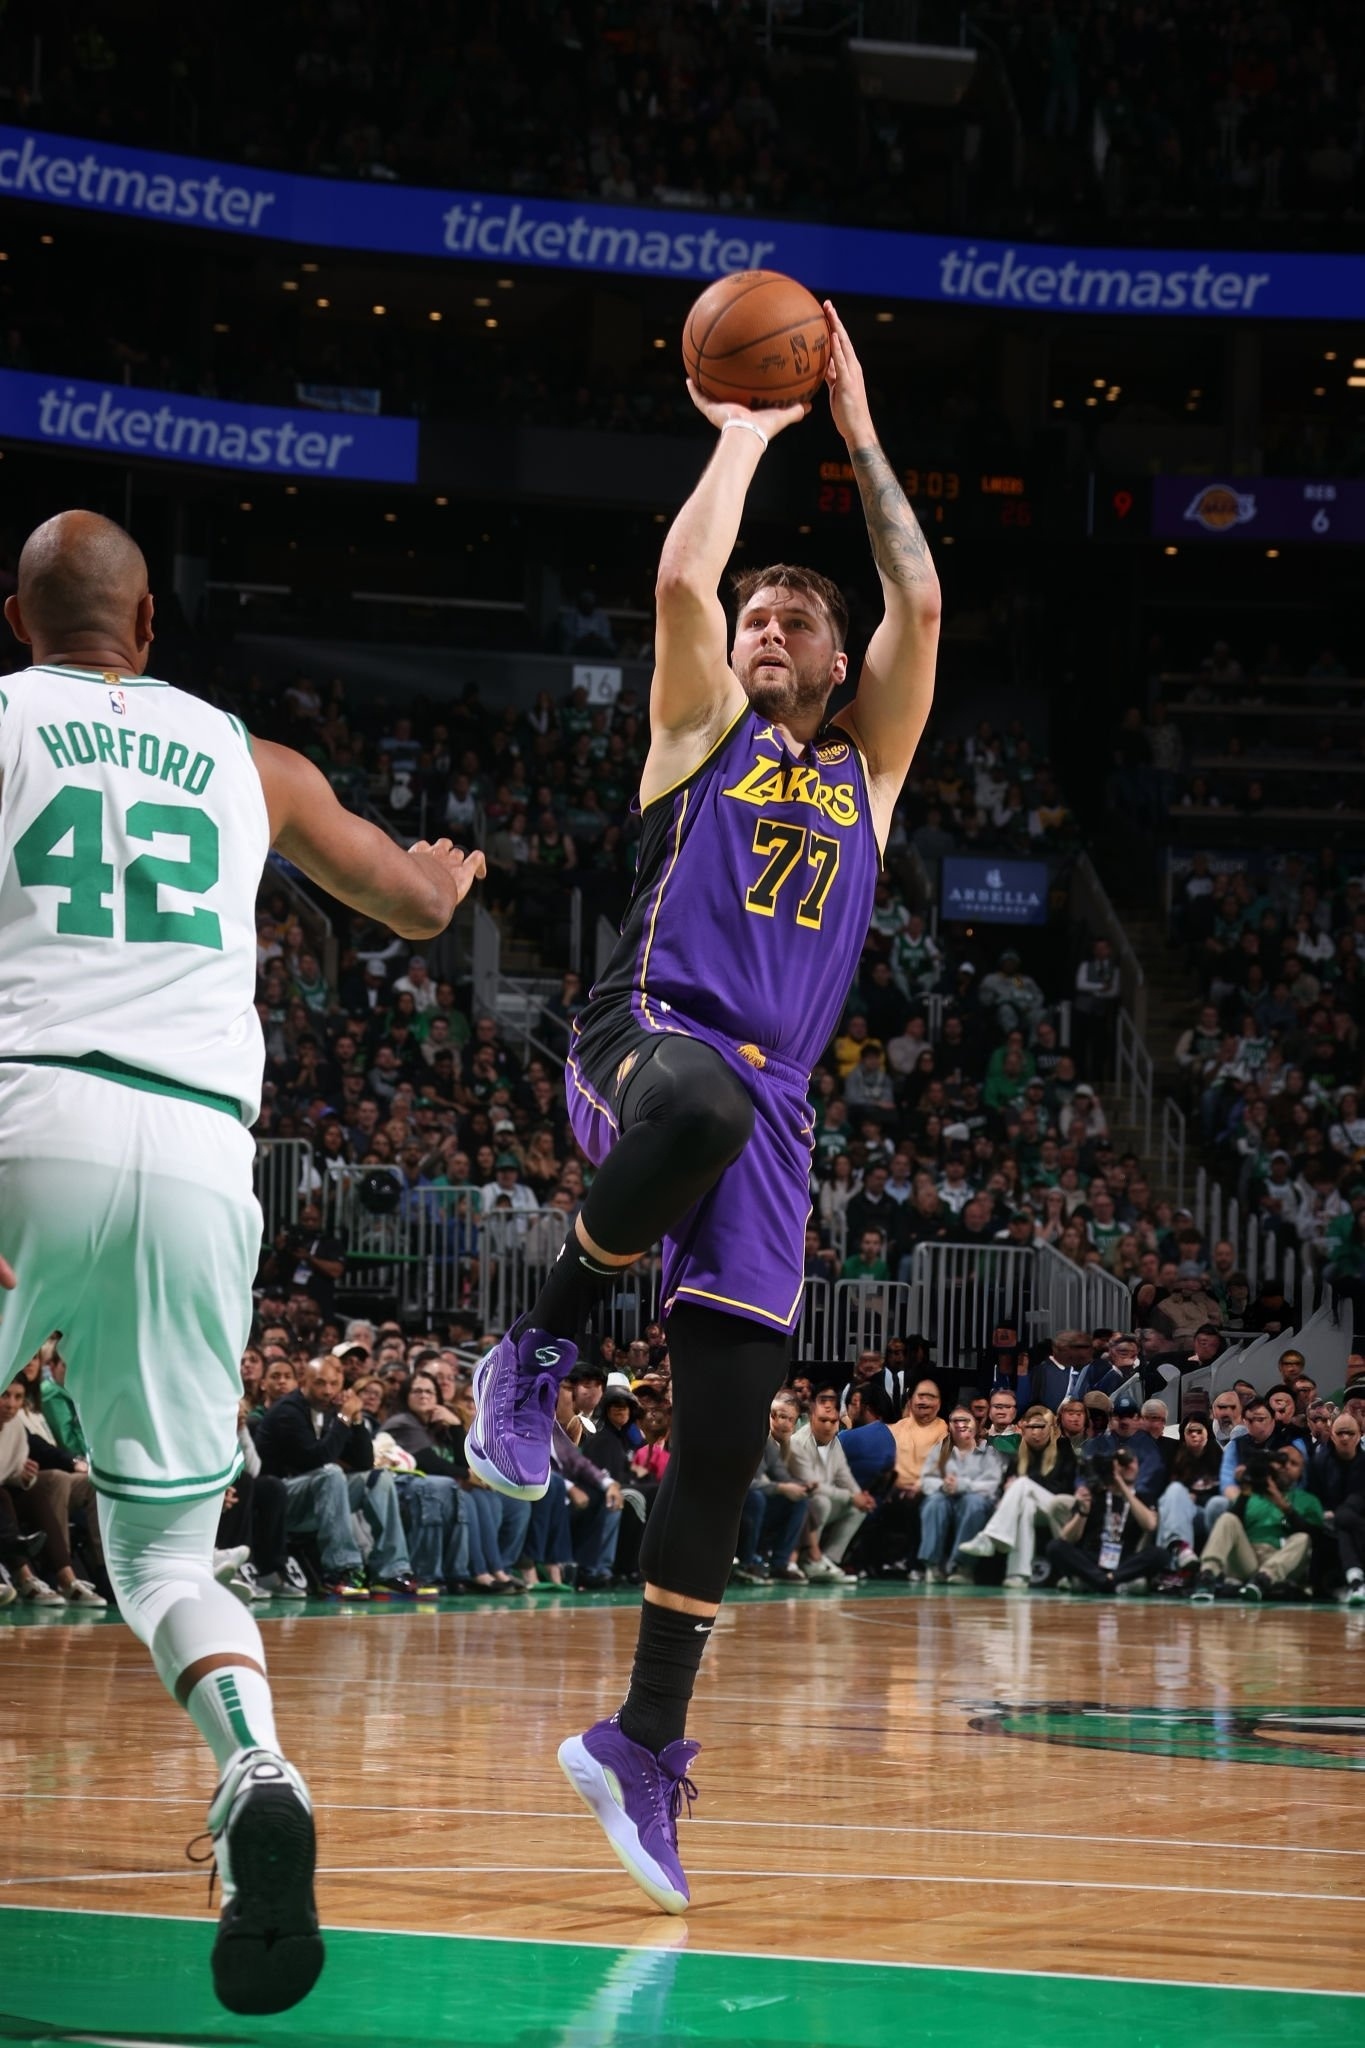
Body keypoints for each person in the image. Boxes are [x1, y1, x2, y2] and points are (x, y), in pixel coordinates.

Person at [468, 312, 940, 1912]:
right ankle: (537, 1341)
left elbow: (922, 598)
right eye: (758, 607)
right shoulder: (701, 734)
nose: (766, 620)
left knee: (727, 1439)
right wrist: (743, 430)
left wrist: (856, 430)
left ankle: (643, 1745)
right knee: (707, 1114)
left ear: (834, 659)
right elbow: (680, 584)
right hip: (649, 1036)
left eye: (796, 614)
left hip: (771, 1107)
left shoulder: (865, 771)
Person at [0, 511, 485, 2014]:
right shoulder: (247, 758)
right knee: (157, 1551)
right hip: (203, 1153)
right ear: (148, 629)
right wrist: (446, 880)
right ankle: (254, 1770)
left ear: (21, 621)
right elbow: (405, 902)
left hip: (24, 1107)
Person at [958, 1406, 1079, 1587]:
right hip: (1033, 1509)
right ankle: (1018, 1574)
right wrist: (1009, 1491)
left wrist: (1025, 1483)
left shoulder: (1063, 1448)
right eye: (1031, 1427)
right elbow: (1005, 1487)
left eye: (1041, 1426)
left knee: (1022, 1484)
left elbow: (1063, 1488)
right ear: (1023, 1428)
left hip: (1058, 1508)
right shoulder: (1019, 1456)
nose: (1036, 1432)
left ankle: (990, 1537)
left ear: (1051, 1428)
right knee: (1026, 1506)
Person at [1047, 1445, 1164, 1594]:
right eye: (1122, 1463)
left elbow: (1150, 1525)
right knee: (1055, 1546)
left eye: (1132, 1461)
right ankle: (1109, 1583)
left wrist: (1122, 1485)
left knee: (1159, 1554)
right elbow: (1067, 1539)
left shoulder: (1143, 1498)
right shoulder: (1094, 1495)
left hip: (1123, 1561)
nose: (1129, 1466)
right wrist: (1083, 1511)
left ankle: (1093, 1582)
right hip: (1092, 1559)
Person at [916, 1408, 1004, 1581]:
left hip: (975, 1501)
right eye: (955, 1421)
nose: (961, 1425)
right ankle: (932, 1565)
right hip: (945, 1498)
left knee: (973, 1503)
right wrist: (944, 1485)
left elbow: (991, 1486)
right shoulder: (940, 1450)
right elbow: (926, 1480)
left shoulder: (989, 1452)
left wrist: (962, 1485)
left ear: (976, 1425)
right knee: (934, 1502)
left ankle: (962, 1566)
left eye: (966, 1420)